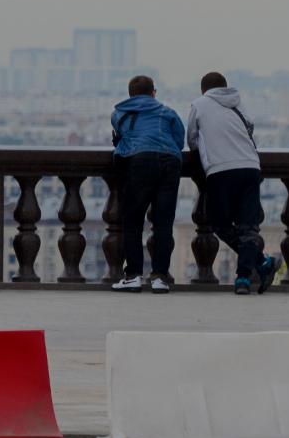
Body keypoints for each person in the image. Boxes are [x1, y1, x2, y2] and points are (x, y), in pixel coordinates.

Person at [186, 71, 278, 295]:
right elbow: (249, 128)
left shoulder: (199, 105)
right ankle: (246, 277)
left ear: (204, 89)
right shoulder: (238, 103)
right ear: (224, 87)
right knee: (248, 227)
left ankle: (259, 265)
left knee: (221, 224)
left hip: (220, 169)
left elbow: (192, 139)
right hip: (250, 166)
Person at [110, 75, 185, 294]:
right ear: (154, 93)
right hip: (170, 162)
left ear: (130, 95)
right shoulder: (168, 113)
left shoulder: (119, 114)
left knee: (133, 221)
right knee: (163, 223)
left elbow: (121, 136)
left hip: (139, 162)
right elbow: (179, 141)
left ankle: (133, 276)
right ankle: (160, 277)